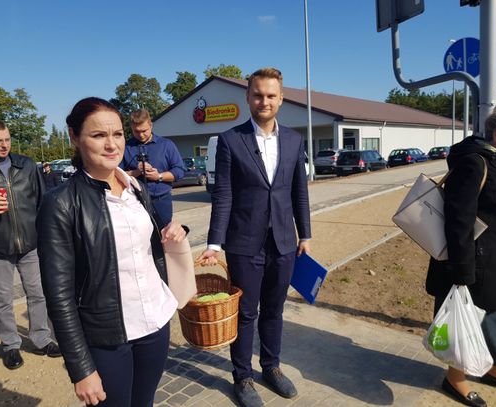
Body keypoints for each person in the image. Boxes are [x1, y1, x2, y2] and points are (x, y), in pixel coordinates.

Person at [37, 98, 188, 407]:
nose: (111, 144)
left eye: (117, 134)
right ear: (74, 137)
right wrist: (81, 368)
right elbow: (58, 295)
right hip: (107, 337)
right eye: (98, 135)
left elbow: (150, 241)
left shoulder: (135, 188)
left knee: (144, 402)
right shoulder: (60, 203)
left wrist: (177, 230)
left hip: (156, 324)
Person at [197, 68, 311, 407]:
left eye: (271, 95)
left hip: (284, 242)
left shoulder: (294, 140)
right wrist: (214, 244)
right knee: (246, 312)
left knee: (274, 310)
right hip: (244, 243)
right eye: (258, 94)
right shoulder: (231, 140)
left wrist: (305, 234)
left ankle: (271, 367)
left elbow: (298, 192)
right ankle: (242, 376)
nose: (265, 101)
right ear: (248, 97)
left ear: (281, 99)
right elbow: (224, 195)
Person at [426, 99, 496, 407]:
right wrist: (461, 271)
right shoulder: (475, 162)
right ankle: (455, 379)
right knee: (467, 322)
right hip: (473, 261)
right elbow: (459, 220)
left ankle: (493, 369)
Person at [0, 119, 61, 370]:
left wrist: (48, 236)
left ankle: (41, 339)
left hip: (31, 244)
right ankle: (10, 345)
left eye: (7, 139)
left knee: (38, 294)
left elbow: (43, 202)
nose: (4, 145)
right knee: (1, 299)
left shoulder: (27, 165)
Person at [120, 108, 185, 228]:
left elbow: (180, 171)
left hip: (161, 201)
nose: (140, 135)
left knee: (164, 238)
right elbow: (116, 174)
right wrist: (136, 172)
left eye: (144, 130)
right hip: (134, 202)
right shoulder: (125, 147)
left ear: (151, 125)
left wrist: (159, 176)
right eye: (136, 131)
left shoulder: (166, 145)